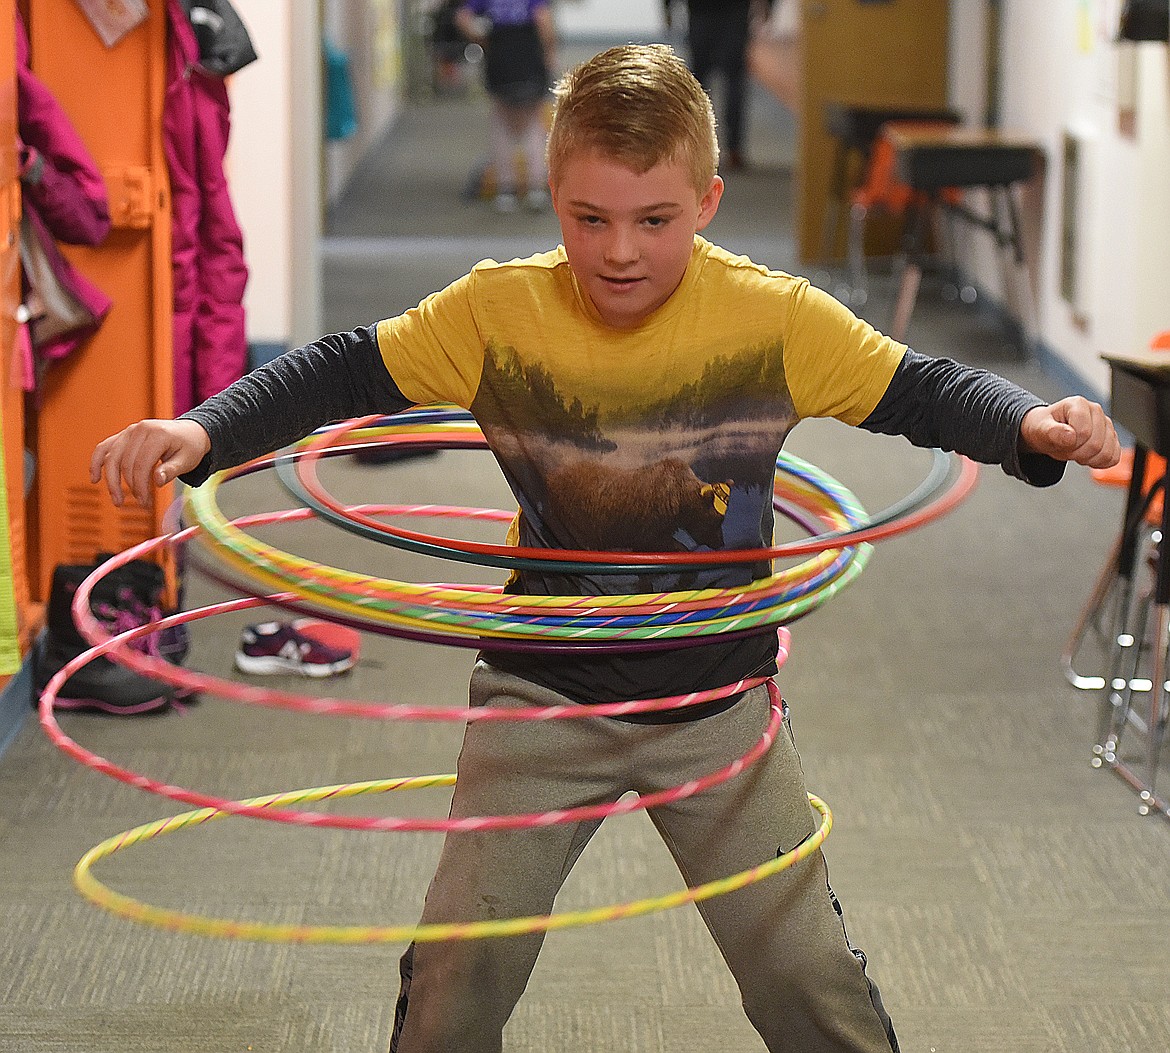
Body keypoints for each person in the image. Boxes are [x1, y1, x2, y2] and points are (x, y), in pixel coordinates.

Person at [91, 44, 1119, 1053]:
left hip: (716, 704)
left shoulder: (772, 319)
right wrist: (206, 430)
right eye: (590, 218)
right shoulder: (499, 313)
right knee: (455, 976)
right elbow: (341, 371)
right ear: (553, 195)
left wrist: (1030, 425)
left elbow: (923, 390)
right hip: (544, 695)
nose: (621, 250)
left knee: (805, 975)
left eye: (654, 220)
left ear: (708, 201)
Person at [456, 0, 557, 213]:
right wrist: (549, 55)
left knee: (501, 127)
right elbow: (544, 22)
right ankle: (535, 189)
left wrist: (483, 40)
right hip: (529, 60)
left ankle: (506, 191)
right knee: (533, 127)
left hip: (499, 61)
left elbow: (462, 18)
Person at [664, 0, 773, 169]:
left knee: (698, 86)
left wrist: (668, 8)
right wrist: (766, 7)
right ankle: (734, 150)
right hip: (734, 13)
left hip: (701, 12)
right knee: (733, 82)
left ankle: (696, 148)